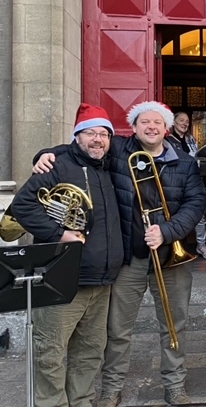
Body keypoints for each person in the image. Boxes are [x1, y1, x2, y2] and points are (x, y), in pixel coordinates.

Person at [34, 101, 206, 407]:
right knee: (117, 328)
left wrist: (167, 231)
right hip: (130, 257)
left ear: (166, 128)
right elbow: (80, 147)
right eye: (145, 122)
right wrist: (44, 155)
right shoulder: (117, 150)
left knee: (173, 325)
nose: (151, 127)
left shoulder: (184, 162)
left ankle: (175, 386)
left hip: (171, 257)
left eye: (157, 122)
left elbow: (195, 203)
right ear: (135, 126)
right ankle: (112, 388)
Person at [12, 104, 124, 407]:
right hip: (61, 279)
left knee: (89, 353)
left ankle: (82, 402)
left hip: (100, 281)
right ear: (77, 137)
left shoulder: (109, 166)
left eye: (104, 134)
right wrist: (60, 234)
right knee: (50, 353)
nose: (98, 139)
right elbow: (22, 207)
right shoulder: (57, 165)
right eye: (90, 133)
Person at [166, 111, 206, 260]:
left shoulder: (191, 139)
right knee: (175, 214)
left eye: (187, 121)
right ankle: (176, 246)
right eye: (181, 120)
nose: (185, 123)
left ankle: (201, 245)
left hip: (193, 181)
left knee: (199, 214)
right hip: (175, 183)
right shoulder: (167, 140)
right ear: (174, 122)